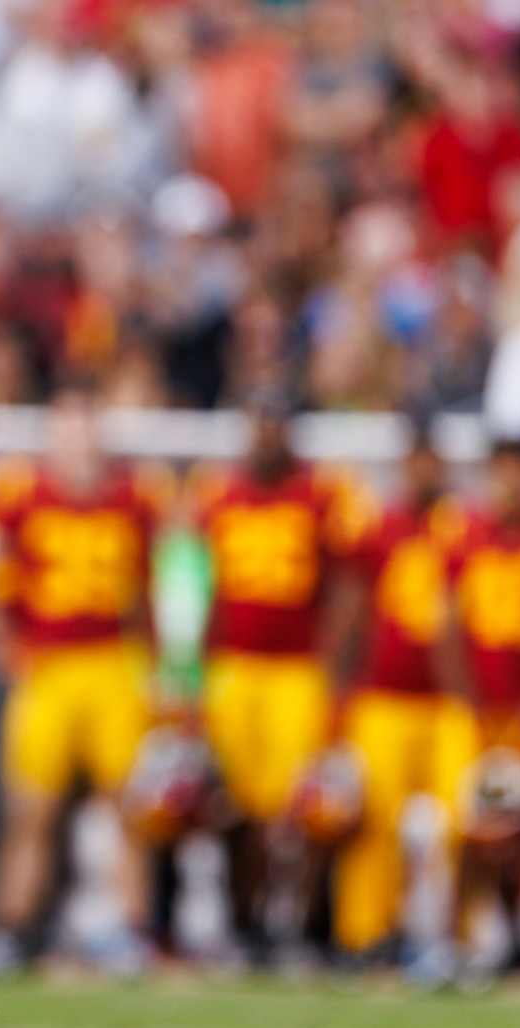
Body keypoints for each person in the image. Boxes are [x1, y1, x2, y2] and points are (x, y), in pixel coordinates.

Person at [0, 388, 164, 970]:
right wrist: (4, 648)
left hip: (114, 661)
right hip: (51, 665)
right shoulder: (25, 496)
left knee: (130, 808)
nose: (78, 443)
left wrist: (160, 661)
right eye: (67, 429)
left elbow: (161, 583)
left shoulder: (135, 498)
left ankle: (130, 931)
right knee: (32, 809)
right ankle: (10, 931)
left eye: (86, 429)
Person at [190, 399, 366, 960]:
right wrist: (193, 668)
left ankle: (307, 925)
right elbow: (198, 584)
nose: (265, 436)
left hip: (296, 670)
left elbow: (345, 584)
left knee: (304, 808)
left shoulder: (321, 493)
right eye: (258, 425)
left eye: (274, 425)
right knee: (237, 808)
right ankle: (247, 923)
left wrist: (332, 660)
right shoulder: (218, 494)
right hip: (234, 669)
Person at [437, 437, 520, 981]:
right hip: (478, 708)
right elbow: (448, 627)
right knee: (467, 830)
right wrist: (468, 700)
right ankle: (456, 942)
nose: (512, 482)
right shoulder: (464, 534)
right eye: (504, 470)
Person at [335, 424, 466, 960]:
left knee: (461, 823)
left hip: (444, 702)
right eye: (417, 459)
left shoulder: (461, 529)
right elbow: (349, 610)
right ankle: (367, 935)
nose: (425, 471)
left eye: (433, 460)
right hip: (383, 697)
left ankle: (457, 938)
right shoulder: (377, 525)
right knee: (374, 823)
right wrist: (338, 691)